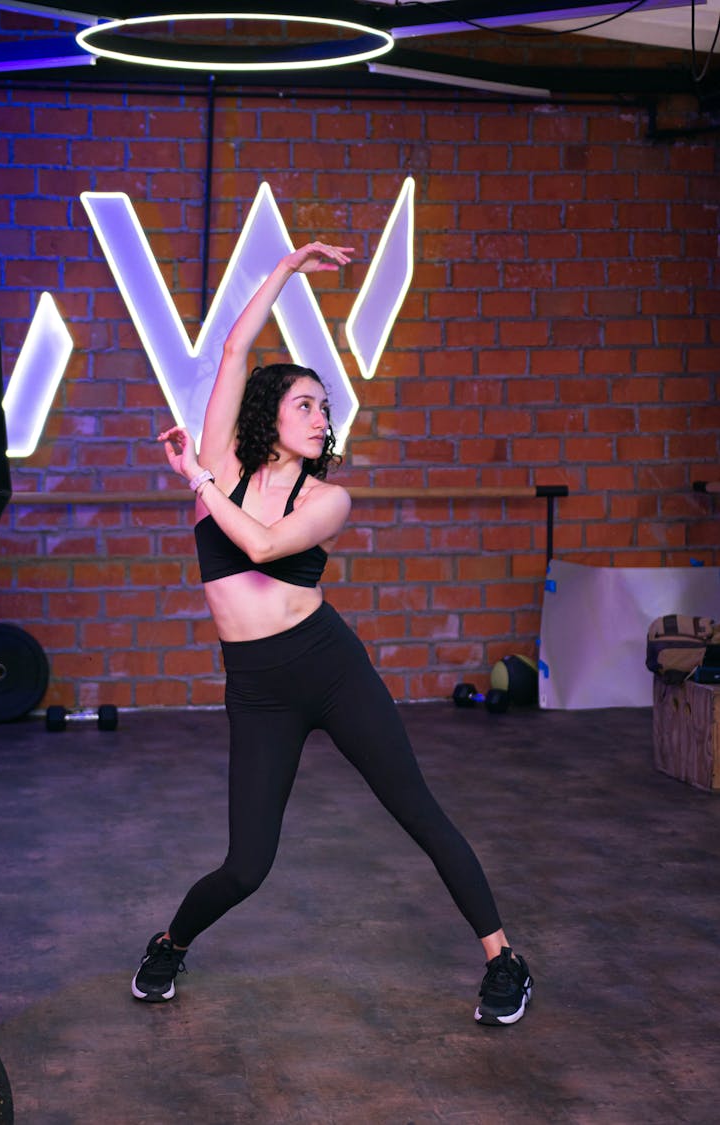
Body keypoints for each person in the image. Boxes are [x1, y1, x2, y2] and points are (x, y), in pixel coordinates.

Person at [131, 241, 533, 1027]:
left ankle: (503, 957)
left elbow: (260, 546)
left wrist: (197, 481)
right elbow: (236, 346)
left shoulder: (328, 498)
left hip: (329, 667)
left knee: (417, 809)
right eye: (306, 404)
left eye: (326, 406)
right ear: (268, 414)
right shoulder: (224, 463)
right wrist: (283, 266)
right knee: (247, 865)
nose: (323, 417)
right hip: (258, 688)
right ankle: (171, 942)